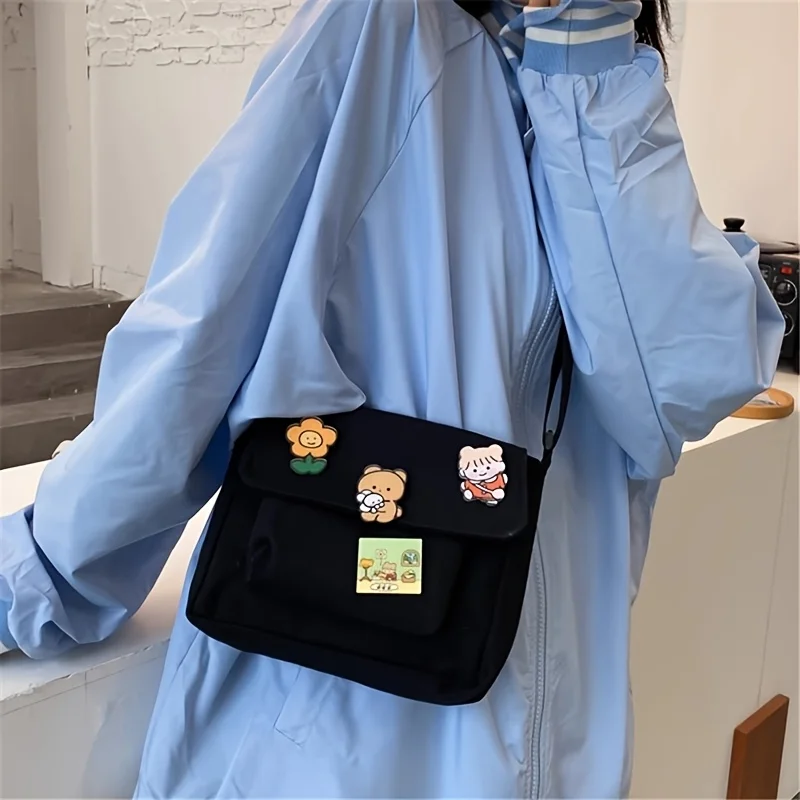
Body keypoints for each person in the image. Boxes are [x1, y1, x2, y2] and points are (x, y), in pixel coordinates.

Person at [0, 0, 783, 796]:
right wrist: (39, 573)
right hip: (333, 741)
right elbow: (198, 331)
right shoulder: (381, 27)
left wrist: (586, 61)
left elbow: (676, 392)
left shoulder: (605, 81)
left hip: (561, 743)